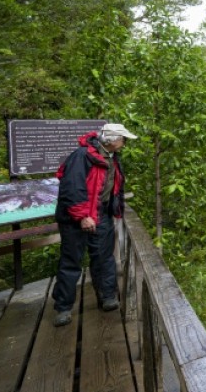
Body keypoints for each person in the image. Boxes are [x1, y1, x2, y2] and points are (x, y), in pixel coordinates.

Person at [52, 123, 137, 327]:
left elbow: (113, 185)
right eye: (122, 139)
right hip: (77, 216)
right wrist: (82, 216)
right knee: (72, 261)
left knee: (104, 257)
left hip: (102, 213)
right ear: (111, 140)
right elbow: (72, 188)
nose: (124, 143)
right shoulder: (82, 156)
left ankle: (107, 297)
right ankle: (63, 308)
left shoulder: (112, 157)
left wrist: (114, 208)